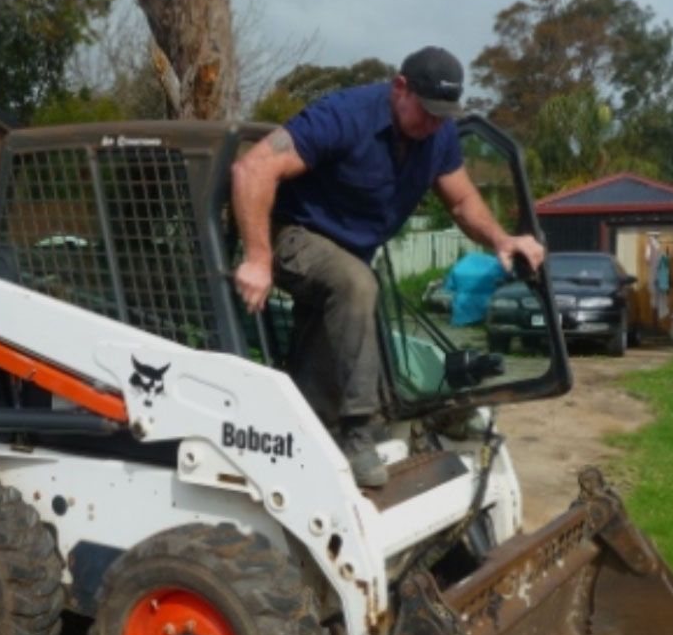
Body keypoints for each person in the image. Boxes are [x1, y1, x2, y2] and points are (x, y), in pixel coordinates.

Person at [231, 46, 545, 488]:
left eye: (445, 115)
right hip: (291, 235)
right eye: (429, 111)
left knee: (341, 314)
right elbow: (252, 169)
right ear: (400, 88)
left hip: (347, 254)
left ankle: (310, 434)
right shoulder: (345, 115)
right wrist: (258, 259)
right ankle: (358, 433)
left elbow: (461, 200)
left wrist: (501, 238)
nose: (435, 123)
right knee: (357, 285)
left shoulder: (438, 134)